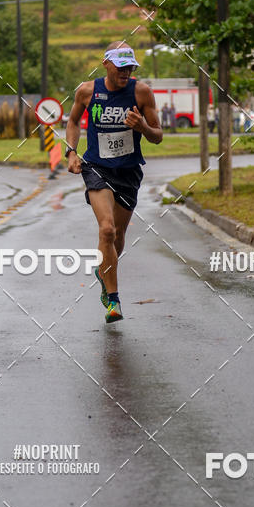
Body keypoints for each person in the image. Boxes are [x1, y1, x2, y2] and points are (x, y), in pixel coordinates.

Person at [65, 42, 163, 324]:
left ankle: (103, 270)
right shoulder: (87, 91)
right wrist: (71, 152)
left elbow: (157, 135)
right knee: (106, 229)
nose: (126, 72)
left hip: (128, 171)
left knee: (117, 237)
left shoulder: (141, 92)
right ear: (106, 64)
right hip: (97, 167)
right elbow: (73, 122)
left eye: (130, 67)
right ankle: (113, 300)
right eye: (121, 67)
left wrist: (142, 127)